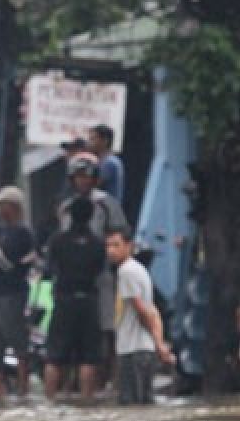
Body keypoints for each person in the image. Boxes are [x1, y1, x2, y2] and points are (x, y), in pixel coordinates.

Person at [60, 153, 132, 386]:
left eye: (86, 176)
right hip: (72, 278)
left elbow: (120, 235)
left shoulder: (106, 204)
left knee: (107, 326)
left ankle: (110, 376)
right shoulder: (65, 207)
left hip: (102, 275)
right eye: (78, 177)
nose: (82, 181)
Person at [44, 197, 106, 400]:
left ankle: (50, 398)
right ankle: (87, 399)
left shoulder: (58, 241)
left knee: (54, 356)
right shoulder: (97, 244)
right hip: (88, 301)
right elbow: (99, 271)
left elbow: (50, 268)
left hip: (63, 301)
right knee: (88, 357)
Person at [106, 228, 174, 404]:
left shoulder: (126, 272)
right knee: (142, 406)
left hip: (133, 351)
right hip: (141, 350)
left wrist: (159, 343)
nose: (111, 250)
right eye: (108, 246)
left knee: (132, 407)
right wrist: (159, 342)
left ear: (129, 246)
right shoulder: (137, 270)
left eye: (116, 245)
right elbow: (153, 310)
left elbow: (142, 310)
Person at [0, 186, 36, 398]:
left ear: (12, 207)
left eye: (1, 205)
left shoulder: (22, 233)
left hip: (11, 293)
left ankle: (23, 387)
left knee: (17, 339)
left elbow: (7, 262)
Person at [88, 124, 124, 204]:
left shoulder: (109, 163)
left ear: (105, 141)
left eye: (93, 139)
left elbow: (90, 185)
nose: (90, 142)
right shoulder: (101, 161)